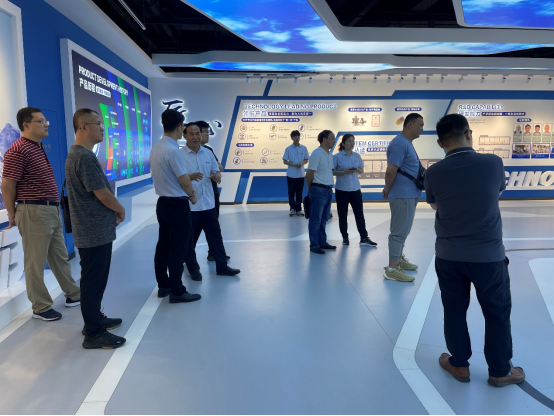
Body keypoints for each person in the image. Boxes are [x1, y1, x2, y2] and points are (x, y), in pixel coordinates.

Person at [426, 113, 524, 388]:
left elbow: (435, 205)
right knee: (497, 312)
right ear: (469, 134)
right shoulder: (492, 162)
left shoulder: (433, 172)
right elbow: (495, 194)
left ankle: (459, 364)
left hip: (449, 255)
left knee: (454, 310)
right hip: (488, 256)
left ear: (439, 143)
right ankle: (500, 370)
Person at [1, 107, 81, 322]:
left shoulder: (35, 147)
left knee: (59, 256)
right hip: (33, 211)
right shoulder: (18, 149)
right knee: (35, 262)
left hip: (50, 210)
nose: (46, 124)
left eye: (46, 121)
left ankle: (73, 294)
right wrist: (12, 214)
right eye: (41, 121)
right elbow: (7, 186)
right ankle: (41, 306)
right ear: (26, 125)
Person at [66, 108, 125, 350]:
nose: (103, 128)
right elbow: (102, 194)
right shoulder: (83, 157)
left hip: (93, 230)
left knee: (95, 281)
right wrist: (120, 209)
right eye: (98, 123)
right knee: (93, 282)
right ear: (83, 127)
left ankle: (95, 320)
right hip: (93, 232)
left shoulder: (80, 154)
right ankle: (93, 333)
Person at [150, 109, 202, 303]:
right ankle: (177, 291)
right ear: (179, 127)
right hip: (178, 205)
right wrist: (192, 196)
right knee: (178, 249)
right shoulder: (173, 150)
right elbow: (184, 180)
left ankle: (163, 285)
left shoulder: (157, 147)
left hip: (163, 203)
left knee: (163, 246)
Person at [181, 123, 240, 279]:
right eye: (191, 134)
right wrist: (188, 177)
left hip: (208, 204)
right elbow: (174, 179)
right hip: (191, 205)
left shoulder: (208, 153)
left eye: (198, 133)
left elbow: (216, 170)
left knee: (216, 236)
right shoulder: (179, 155)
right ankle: (193, 269)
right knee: (189, 239)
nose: (195, 137)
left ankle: (222, 266)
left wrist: (217, 176)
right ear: (184, 136)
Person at [382, 113, 423, 283]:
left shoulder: (406, 143)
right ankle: (392, 269)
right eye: (420, 125)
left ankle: (398, 259)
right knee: (398, 232)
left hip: (409, 194)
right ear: (410, 124)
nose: (422, 128)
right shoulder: (399, 143)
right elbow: (390, 171)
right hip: (402, 194)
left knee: (403, 230)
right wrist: (388, 189)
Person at [332, 134, 377, 247]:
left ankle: (364, 237)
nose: (352, 143)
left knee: (359, 214)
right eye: (349, 141)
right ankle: (345, 237)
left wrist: (358, 170)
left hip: (355, 188)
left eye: (353, 141)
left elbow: (361, 170)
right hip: (342, 189)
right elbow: (332, 172)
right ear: (343, 144)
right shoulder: (337, 157)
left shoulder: (356, 156)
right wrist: (344, 172)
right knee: (342, 214)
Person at [193, 120, 228, 263]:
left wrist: (216, 172)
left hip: (211, 193)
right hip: (195, 196)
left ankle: (214, 253)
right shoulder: (185, 153)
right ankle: (188, 255)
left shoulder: (208, 150)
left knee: (213, 226)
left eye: (208, 132)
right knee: (194, 227)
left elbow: (219, 167)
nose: (207, 135)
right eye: (205, 132)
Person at [306, 130, 336, 255]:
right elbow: (309, 174)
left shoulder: (329, 155)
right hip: (318, 189)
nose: (334, 140)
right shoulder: (316, 154)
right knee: (315, 219)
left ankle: (322, 242)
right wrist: (310, 190)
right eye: (332, 138)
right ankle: (314, 244)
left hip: (328, 190)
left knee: (324, 219)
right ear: (324, 139)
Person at [283, 130, 309, 217]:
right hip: (291, 174)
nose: (296, 138)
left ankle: (298, 209)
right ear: (292, 138)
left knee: (299, 193)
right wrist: (294, 165)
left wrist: (301, 163)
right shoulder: (288, 149)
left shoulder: (304, 148)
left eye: (298, 136)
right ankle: (292, 209)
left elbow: (306, 159)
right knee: (291, 193)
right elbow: (285, 161)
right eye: (294, 136)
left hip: (301, 174)